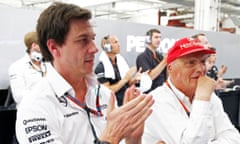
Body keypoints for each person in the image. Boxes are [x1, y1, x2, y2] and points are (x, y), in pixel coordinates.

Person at [15, 2, 154, 144]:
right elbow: (111, 139)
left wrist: (133, 138)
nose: (94, 49)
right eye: (83, 40)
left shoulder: (103, 94)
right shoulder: (35, 106)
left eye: (92, 39)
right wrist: (110, 138)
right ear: (54, 47)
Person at [143, 37, 240, 144]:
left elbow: (234, 137)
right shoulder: (156, 101)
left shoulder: (210, 96)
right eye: (191, 63)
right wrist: (202, 99)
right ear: (170, 68)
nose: (201, 69)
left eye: (203, 61)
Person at [95, 35, 141, 106]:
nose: (119, 45)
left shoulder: (121, 63)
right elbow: (107, 91)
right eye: (115, 42)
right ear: (107, 47)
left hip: (126, 103)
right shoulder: (100, 68)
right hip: (113, 106)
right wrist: (125, 78)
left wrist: (135, 79)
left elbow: (128, 84)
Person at [8, 31, 47, 107]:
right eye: (43, 45)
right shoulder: (17, 66)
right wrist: (44, 94)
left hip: (50, 111)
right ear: (34, 45)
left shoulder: (48, 64)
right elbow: (19, 96)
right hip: (30, 113)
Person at [136, 28, 167, 93]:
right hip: (150, 95)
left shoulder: (160, 57)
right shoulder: (142, 57)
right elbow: (149, 78)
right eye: (156, 37)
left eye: (160, 37)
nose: (159, 40)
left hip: (162, 93)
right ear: (148, 39)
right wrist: (164, 62)